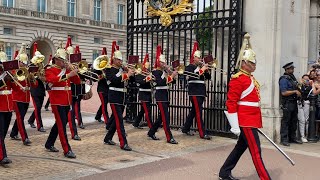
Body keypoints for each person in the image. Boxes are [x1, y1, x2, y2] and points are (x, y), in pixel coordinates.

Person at [219, 34, 271, 180]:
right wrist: (235, 125)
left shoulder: (249, 78)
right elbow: (231, 102)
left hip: (251, 119)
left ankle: (224, 172)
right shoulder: (238, 79)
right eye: (252, 63)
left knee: (241, 147)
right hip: (246, 120)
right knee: (256, 151)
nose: (255, 65)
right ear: (244, 63)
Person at [44, 40, 81, 158]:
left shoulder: (66, 69)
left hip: (66, 101)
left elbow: (77, 82)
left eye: (65, 60)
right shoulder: (50, 69)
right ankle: (66, 149)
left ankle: (49, 143)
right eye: (63, 60)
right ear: (56, 59)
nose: (64, 62)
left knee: (61, 123)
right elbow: (52, 80)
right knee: (61, 126)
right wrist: (68, 74)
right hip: (57, 101)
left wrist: (73, 71)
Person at [103, 48, 134, 151]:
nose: (120, 62)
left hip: (122, 97)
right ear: (114, 59)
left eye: (121, 60)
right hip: (114, 97)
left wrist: (131, 72)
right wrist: (126, 74)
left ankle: (108, 138)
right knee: (120, 120)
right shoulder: (109, 69)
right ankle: (123, 143)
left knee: (116, 120)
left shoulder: (122, 70)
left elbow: (131, 80)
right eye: (118, 60)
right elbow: (114, 80)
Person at [147, 45, 179, 144]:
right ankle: (169, 137)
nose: (164, 63)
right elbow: (160, 82)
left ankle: (151, 132)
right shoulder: (155, 72)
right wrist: (171, 76)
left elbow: (172, 83)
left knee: (162, 117)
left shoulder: (164, 71)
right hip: (160, 95)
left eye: (164, 62)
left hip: (165, 94)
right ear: (158, 62)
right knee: (165, 117)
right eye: (162, 62)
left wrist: (171, 74)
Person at [181, 42, 211, 140]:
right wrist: (202, 69)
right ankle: (202, 133)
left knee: (194, 111)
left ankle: (185, 128)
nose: (200, 59)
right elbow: (192, 75)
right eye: (198, 57)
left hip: (201, 92)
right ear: (194, 58)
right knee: (198, 112)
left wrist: (207, 70)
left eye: (200, 57)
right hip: (194, 92)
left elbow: (208, 77)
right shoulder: (190, 67)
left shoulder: (201, 67)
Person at [10, 44, 38, 146]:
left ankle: (13, 133)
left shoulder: (27, 71)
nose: (24, 65)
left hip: (25, 99)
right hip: (17, 98)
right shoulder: (14, 72)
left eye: (25, 63)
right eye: (23, 63)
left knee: (20, 117)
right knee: (20, 118)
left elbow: (34, 85)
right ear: (19, 62)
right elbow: (12, 85)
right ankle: (24, 138)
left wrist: (32, 78)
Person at [279, 62, 303, 146]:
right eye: (291, 69)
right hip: (287, 103)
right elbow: (284, 92)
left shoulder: (292, 78)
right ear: (287, 69)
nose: (293, 70)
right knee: (286, 121)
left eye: (293, 68)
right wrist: (294, 91)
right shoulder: (283, 79)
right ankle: (284, 139)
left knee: (293, 121)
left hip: (293, 102)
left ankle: (292, 138)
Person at [28, 43, 46, 132]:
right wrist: (36, 75)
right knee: (37, 106)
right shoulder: (31, 66)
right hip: (34, 89)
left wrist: (42, 75)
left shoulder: (41, 66)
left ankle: (30, 120)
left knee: (38, 107)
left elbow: (44, 77)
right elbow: (30, 77)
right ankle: (40, 126)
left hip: (41, 88)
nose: (39, 60)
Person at [132, 53, 154, 129]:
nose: (147, 69)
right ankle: (151, 127)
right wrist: (147, 79)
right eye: (146, 67)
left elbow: (153, 83)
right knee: (148, 111)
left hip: (148, 93)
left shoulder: (149, 73)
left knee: (143, 110)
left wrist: (152, 80)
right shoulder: (139, 73)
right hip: (143, 94)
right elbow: (139, 82)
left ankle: (136, 123)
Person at [0, 48, 13, 164]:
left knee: (3, 132)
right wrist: (3, 79)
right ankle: (2, 156)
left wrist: (13, 79)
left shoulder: (8, 74)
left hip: (8, 106)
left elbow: (18, 87)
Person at [297, 74, 312, 143]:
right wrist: (300, 84)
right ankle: (302, 136)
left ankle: (306, 135)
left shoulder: (310, 87)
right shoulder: (299, 86)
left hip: (307, 103)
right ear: (302, 79)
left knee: (306, 120)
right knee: (302, 120)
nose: (307, 81)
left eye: (308, 80)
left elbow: (313, 92)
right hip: (300, 103)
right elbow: (299, 93)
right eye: (305, 79)